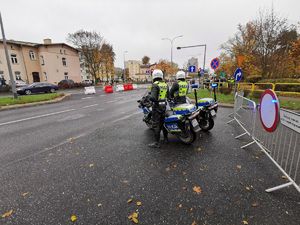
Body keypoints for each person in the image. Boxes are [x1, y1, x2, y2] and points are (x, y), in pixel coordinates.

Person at [148, 69, 169, 148]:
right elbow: (168, 95)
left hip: (156, 107)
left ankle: (157, 143)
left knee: (156, 124)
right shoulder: (165, 84)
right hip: (164, 106)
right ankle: (166, 139)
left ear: (154, 76)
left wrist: (150, 96)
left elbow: (153, 98)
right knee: (163, 123)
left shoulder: (155, 85)